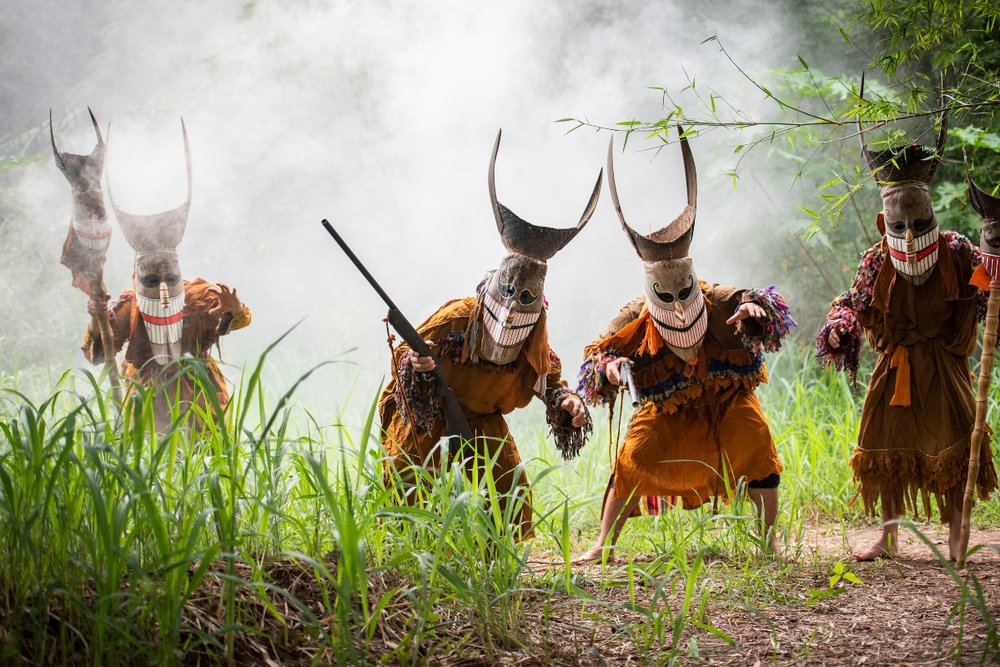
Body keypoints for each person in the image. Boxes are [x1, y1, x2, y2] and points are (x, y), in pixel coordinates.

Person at [574, 130, 794, 564]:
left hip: (726, 400)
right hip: (667, 410)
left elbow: (759, 301)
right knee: (633, 456)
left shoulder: (716, 297)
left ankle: (771, 543)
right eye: (666, 298)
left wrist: (755, 312)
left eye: (684, 294)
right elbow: (596, 359)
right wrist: (611, 370)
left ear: (695, 282)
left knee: (756, 440)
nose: (677, 309)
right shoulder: (632, 315)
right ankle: (604, 545)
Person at [378, 131, 599, 536]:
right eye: (509, 293)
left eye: (525, 298)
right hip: (428, 411)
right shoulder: (457, 318)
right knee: (405, 480)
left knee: (510, 495)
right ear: (491, 287)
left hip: (482, 420)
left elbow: (549, 382)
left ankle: (497, 564)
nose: (513, 307)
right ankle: (399, 552)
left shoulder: (535, 340)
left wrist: (569, 401)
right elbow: (402, 363)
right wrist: (417, 360)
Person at [817, 113, 997, 561]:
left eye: (919, 224)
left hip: (944, 365)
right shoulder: (875, 261)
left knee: (955, 448)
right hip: (893, 366)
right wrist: (839, 328)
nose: (911, 237)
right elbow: (851, 303)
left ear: (932, 214)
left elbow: (985, 294)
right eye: (899, 228)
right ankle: (889, 535)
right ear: (884, 223)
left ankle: (957, 534)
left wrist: (994, 275)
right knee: (883, 449)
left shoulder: (956, 249)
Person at [82, 120, 251, 432]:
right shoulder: (125, 307)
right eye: (151, 281)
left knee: (208, 465)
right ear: (137, 277)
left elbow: (238, 320)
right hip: (147, 406)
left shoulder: (200, 294)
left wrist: (233, 310)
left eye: (169, 279)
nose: (162, 291)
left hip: (201, 401)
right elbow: (97, 354)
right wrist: (98, 321)